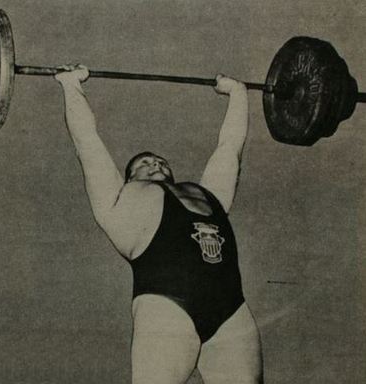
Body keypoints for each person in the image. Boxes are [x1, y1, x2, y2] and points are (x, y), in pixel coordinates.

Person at [55, 64, 263, 384]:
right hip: (167, 311)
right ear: (129, 176)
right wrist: (71, 85)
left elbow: (230, 149)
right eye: (143, 163)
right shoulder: (117, 201)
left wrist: (238, 93)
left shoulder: (208, 195)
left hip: (231, 312)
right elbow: (88, 142)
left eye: (160, 162)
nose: (155, 163)